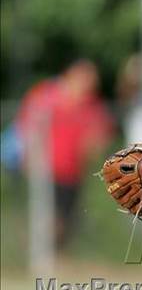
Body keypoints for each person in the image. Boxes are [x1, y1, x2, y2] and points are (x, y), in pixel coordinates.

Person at [16, 59, 115, 249]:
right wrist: (28, 155)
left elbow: (101, 133)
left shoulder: (91, 104)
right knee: (47, 218)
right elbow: (27, 126)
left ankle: (50, 256)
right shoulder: (47, 96)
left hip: (72, 172)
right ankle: (35, 254)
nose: (90, 83)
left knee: (66, 221)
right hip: (45, 170)